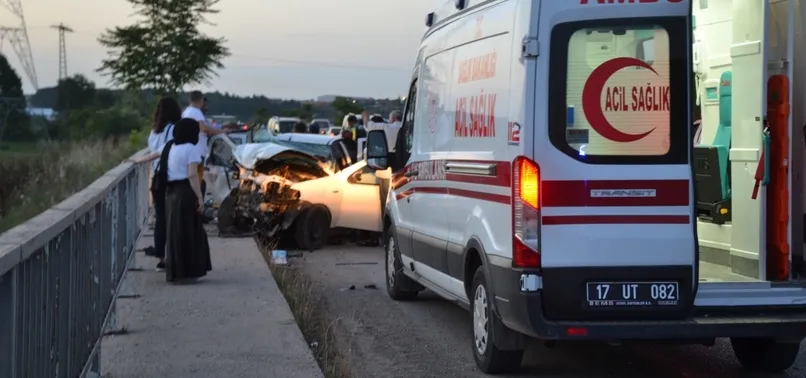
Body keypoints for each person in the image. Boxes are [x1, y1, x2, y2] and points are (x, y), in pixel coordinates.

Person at [126, 96, 182, 271]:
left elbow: (153, 150)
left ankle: (161, 256)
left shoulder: (154, 131)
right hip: (169, 178)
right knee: (172, 217)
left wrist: (138, 160)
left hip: (157, 178)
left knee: (160, 218)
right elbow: (162, 151)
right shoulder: (173, 129)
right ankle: (171, 256)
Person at [159, 118, 212, 283]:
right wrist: (200, 198)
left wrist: (135, 161)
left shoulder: (170, 146)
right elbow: (192, 175)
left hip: (170, 193)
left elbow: (153, 155)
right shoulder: (192, 149)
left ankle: (176, 271)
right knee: (189, 231)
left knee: (175, 231)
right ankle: (188, 271)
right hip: (184, 193)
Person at [182, 91, 225, 201]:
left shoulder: (186, 112)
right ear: (201, 100)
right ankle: (197, 206)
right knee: (198, 182)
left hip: (189, 151)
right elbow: (204, 128)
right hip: (197, 153)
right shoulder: (196, 112)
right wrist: (219, 131)